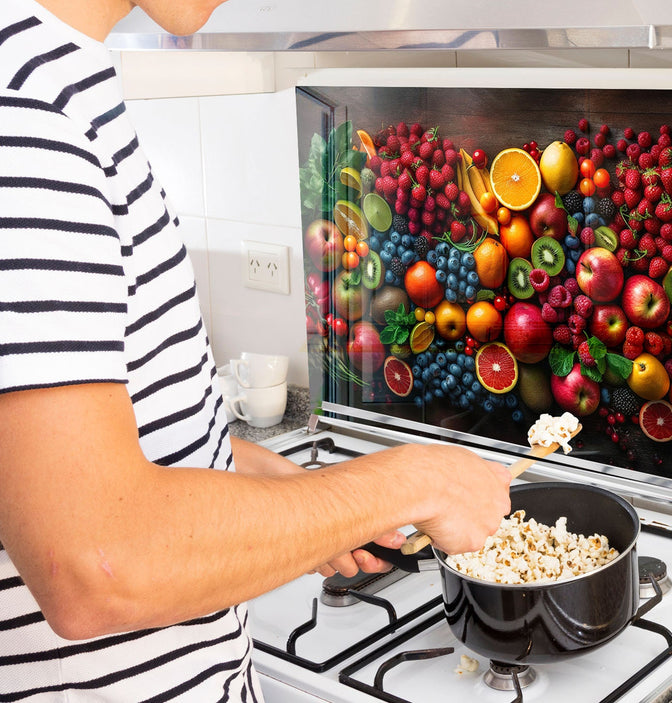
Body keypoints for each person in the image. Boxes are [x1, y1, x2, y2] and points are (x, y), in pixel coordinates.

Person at [0, 0, 512, 699]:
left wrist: (300, 499)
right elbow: (94, 562)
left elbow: (91, 451)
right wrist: (416, 480)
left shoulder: (56, 81)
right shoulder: (24, 115)